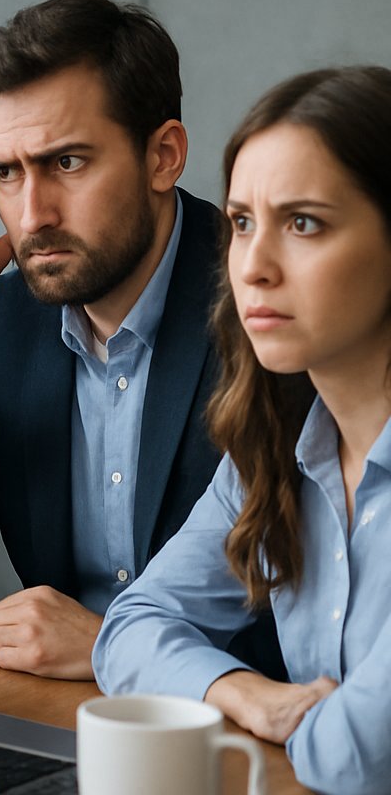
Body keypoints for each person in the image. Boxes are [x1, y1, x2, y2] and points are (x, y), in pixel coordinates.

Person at [0, 0, 278, 681]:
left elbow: (316, 626)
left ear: (164, 155)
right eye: (6, 173)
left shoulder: (270, 309)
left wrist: (113, 648)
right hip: (67, 724)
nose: (32, 214)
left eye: (67, 163)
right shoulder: (1, 326)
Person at [95, 66, 391, 794]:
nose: (252, 267)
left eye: (304, 223)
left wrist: (304, 726)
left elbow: (357, 757)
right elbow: (128, 629)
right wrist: (246, 691)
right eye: (241, 222)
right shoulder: (275, 445)